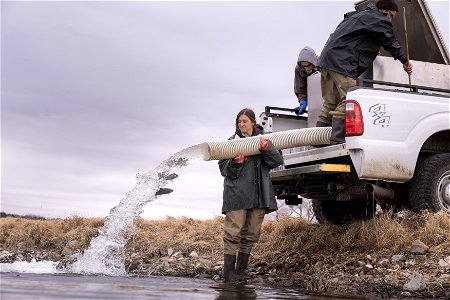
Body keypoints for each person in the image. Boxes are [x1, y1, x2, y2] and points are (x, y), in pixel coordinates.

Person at [317, 0, 413, 144]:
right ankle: (338, 143)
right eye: (391, 15)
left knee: (329, 105)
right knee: (351, 98)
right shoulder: (378, 19)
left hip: (326, 61)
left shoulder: (358, 16)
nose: (390, 19)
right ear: (383, 11)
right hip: (342, 63)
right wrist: (405, 60)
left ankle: (318, 144)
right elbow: (390, 41)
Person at [218, 108, 284, 283]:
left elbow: (277, 161)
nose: (241, 125)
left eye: (244, 121)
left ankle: (241, 270)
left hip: (258, 194)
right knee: (233, 233)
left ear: (253, 123)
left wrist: (267, 148)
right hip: (237, 195)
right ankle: (228, 272)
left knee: (251, 233)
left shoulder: (265, 140)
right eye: (239, 122)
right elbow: (224, 170)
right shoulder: (231, 143)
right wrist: (235, 163)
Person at [293, 46, 318, 115]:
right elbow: (300, 89)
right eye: (303, 66)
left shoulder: (322, 65)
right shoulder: (299, 69)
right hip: (313, 105)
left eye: (308, 65)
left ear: (313, 62)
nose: (306, 68)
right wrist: (303, 101)